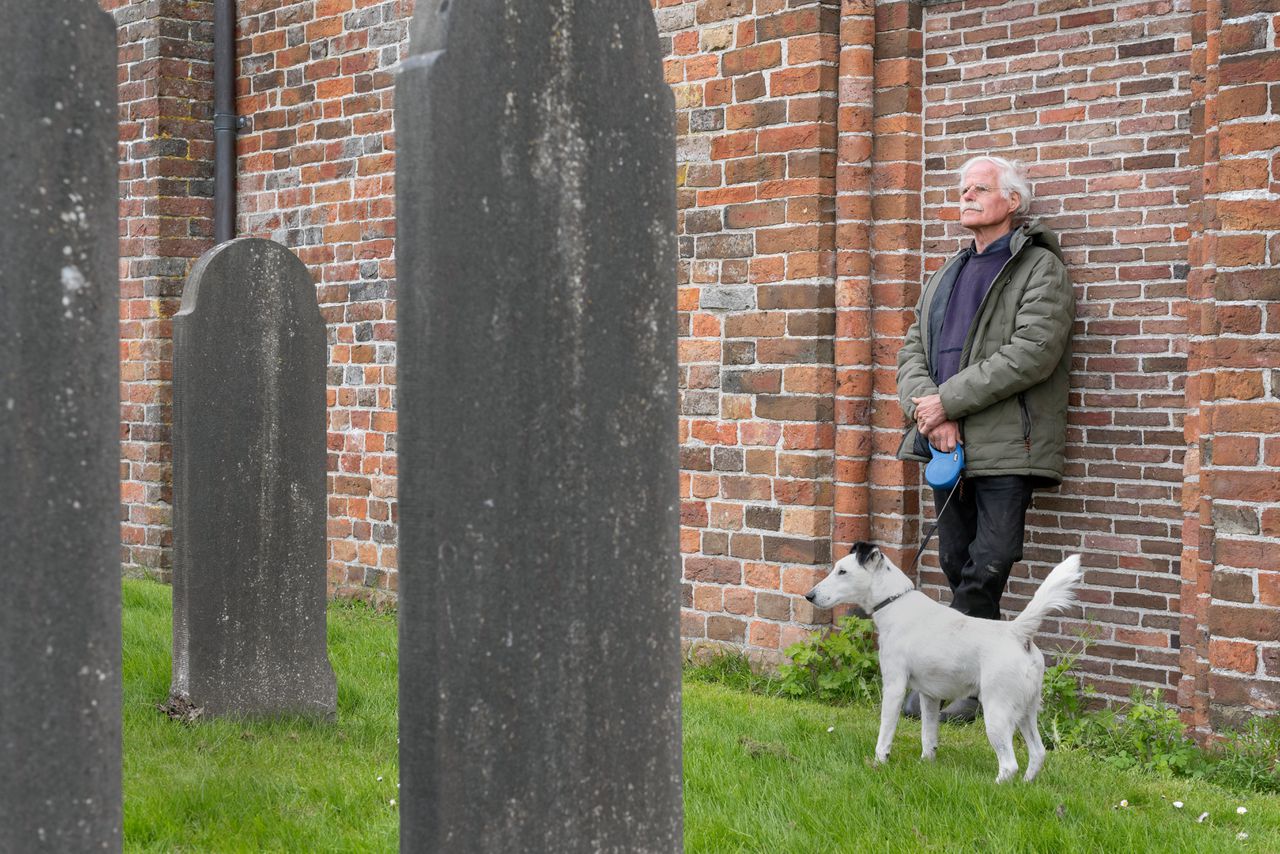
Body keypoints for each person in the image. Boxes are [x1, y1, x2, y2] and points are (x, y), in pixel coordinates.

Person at [894, 155, 1075, 723]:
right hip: (945, 445)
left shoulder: (1040, 269)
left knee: (990, 561)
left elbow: (1030, 355)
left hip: (1006, 447)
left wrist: (948, 401)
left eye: (980, 189)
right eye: (962, 189)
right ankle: (968, 682)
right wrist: (933, 415)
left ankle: (962, 683)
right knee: (954, 558)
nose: (966, 196)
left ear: (1013, 202)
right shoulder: (944, 275)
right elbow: (910, 354)